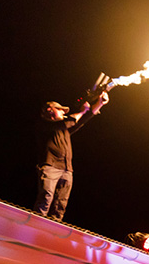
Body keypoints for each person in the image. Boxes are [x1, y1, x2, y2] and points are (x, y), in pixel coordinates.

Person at [35, 93, 109, 221]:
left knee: (61, 203)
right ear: (50, 110)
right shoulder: (45, 126)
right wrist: (82, 111)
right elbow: (69, 122)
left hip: (67, 169)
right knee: (46, 196)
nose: (63, 113)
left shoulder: (64, 129)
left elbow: (82, 119)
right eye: (60, 110)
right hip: (50, 166)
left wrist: (99, 103)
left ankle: (53, 227)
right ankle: (36, 223)